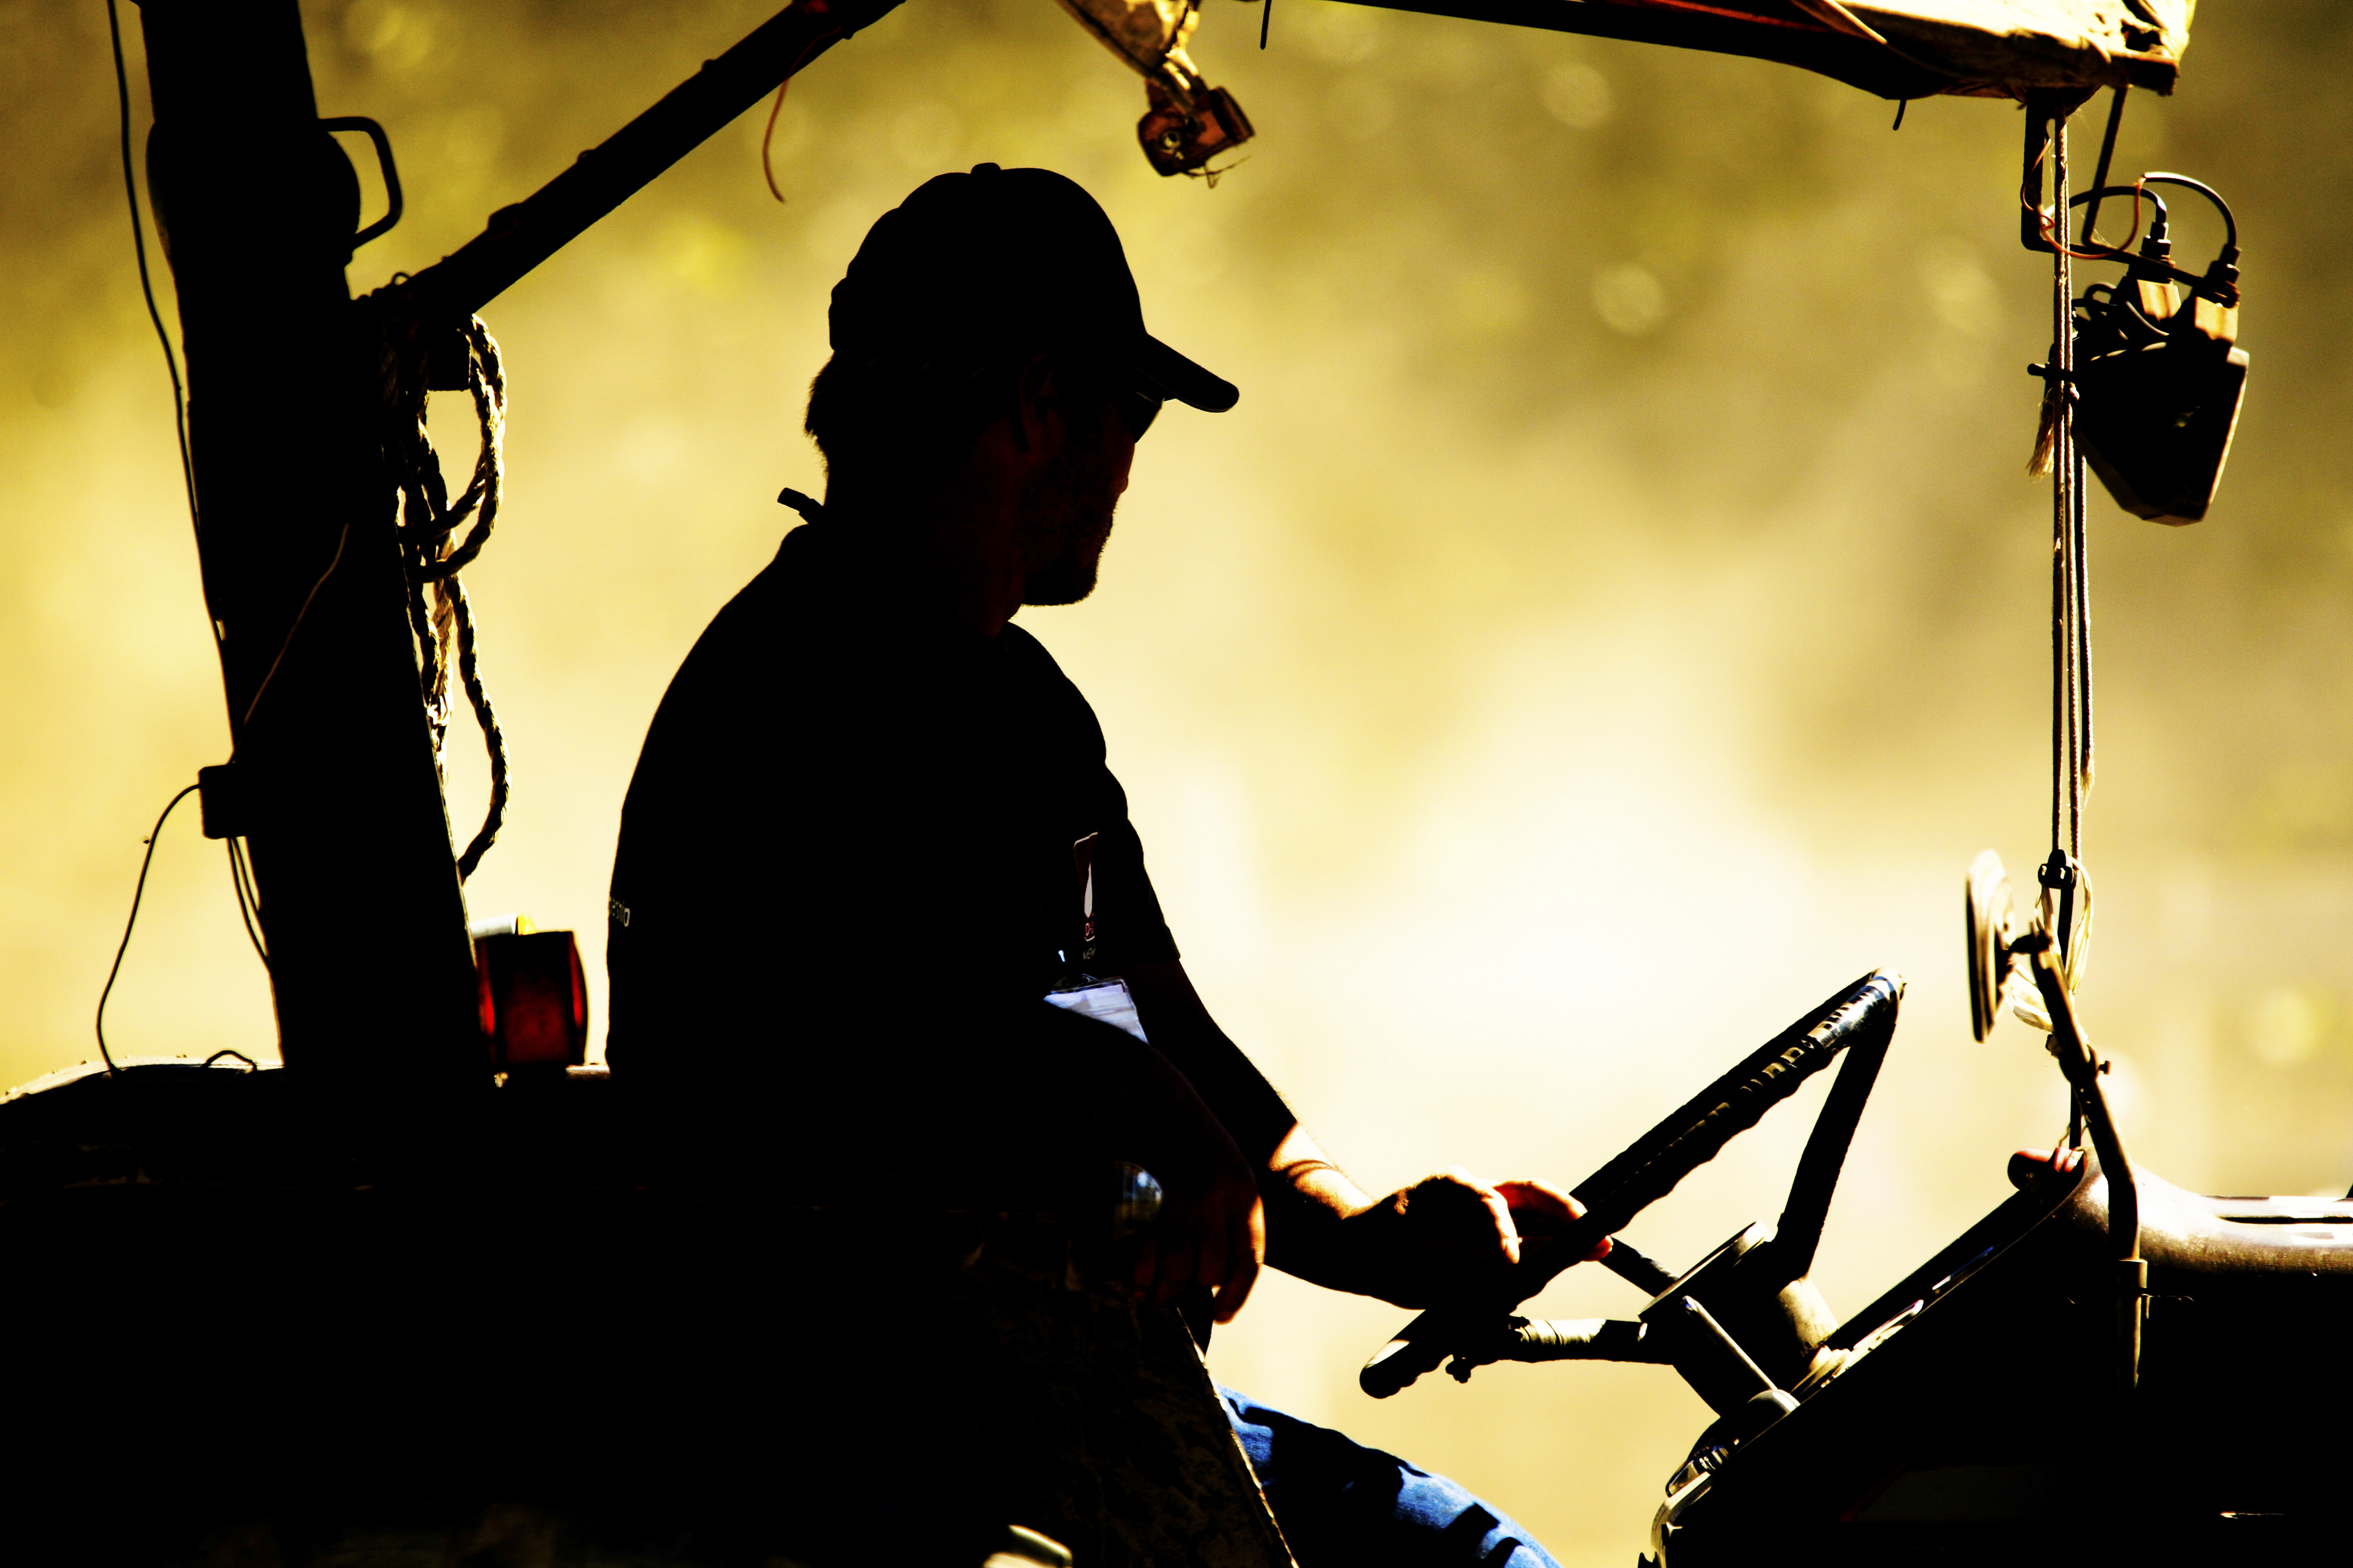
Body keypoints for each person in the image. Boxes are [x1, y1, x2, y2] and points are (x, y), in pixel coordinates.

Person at [607, 164, 1599, 1567]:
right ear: (1037, 408)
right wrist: (1122, 1092)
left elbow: (1143, 1015)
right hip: (861, 1437)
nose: (1130, 467)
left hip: (1057, 1394)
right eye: (1129, 414)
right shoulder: (779, 697)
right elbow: (840, 1043)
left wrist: (1358, 1222)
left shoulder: (1028, 717)